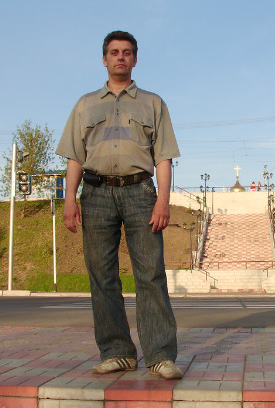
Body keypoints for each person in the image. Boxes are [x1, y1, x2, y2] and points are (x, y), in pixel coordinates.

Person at [56, 31, 182, 380]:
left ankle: (160, 356)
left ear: (135, 60)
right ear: (104, 59)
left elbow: (164, 157)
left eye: (127, 52)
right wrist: (69, 201)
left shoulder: (153, 103)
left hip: (140, 193)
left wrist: (163, 200)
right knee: (102, 275)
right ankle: (117, 352)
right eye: (114, 52)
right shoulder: (85, 105)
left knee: (150, 273)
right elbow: (75, 157)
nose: (120, 57)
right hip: (95, 194)